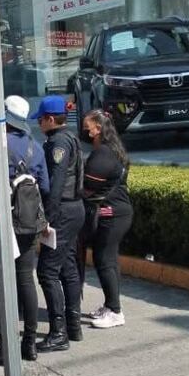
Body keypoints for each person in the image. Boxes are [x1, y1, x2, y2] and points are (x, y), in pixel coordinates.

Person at [0, 96, 46, 366]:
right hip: (29, 222)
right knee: (25, 279)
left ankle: (6, 346)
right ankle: (29, 343)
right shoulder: (35, 146)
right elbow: (46, 186)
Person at [31, 95, 85, 351]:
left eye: (40, 120)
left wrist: (47, 219)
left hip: (62, 210)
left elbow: (56, 182)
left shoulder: (58, 143)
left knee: (47, 271)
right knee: (67, 267)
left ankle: (58, 332)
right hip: (74, 208)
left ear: (50, 119)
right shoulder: (70, 137)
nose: (39, 124)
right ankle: (73, 326)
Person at [80, 110, 133, 329]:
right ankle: (110, 305)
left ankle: (115, 311)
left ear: (98, 129)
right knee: (108, 259)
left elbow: (87, 187)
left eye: (87, 127)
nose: (84, 131)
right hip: (118, 211)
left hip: (112, 213)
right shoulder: (112, 150)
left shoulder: (103, 154)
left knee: (105, 260)